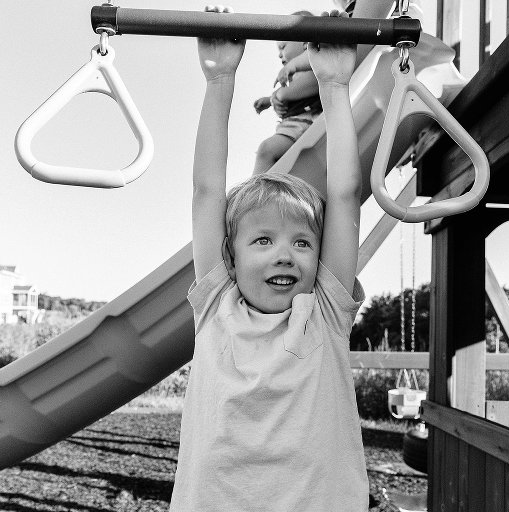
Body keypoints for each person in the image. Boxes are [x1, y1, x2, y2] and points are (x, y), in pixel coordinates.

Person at [169, 6, 368, 512]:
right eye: (262, 241)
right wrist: (219, 81)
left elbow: (344, 194)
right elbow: (206, 191)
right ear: (229, 257)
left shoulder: (324, 311)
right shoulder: (217, 304)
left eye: (302, 242)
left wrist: (335, 87)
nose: (286, 254)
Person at [252, 11, 322, 174]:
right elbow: (295, 91)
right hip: (294, 125)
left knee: (266, 150)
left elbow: (309, 85)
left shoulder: (315, 64)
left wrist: (279, 95)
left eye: (283, 46)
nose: (279, 54)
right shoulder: (297, 73)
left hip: (304, 124)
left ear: (305, 42)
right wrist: (270, 99)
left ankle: (252, 191)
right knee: (270, 153)